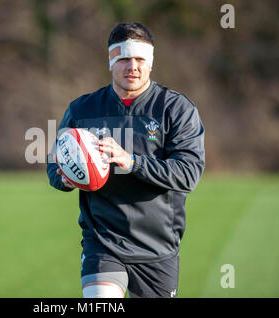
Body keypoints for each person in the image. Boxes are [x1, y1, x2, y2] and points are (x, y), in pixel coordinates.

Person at [46, 22, 205, 298]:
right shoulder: (82, 109)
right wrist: (66, 176)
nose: (132, 66)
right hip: (103, 241)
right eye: (124, 59)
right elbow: (53, 164)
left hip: (157, 248)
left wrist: (132, 162)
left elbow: (188, 173)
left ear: (150, 62)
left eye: (140, 59)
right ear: (111, 62)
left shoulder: (176, 109)